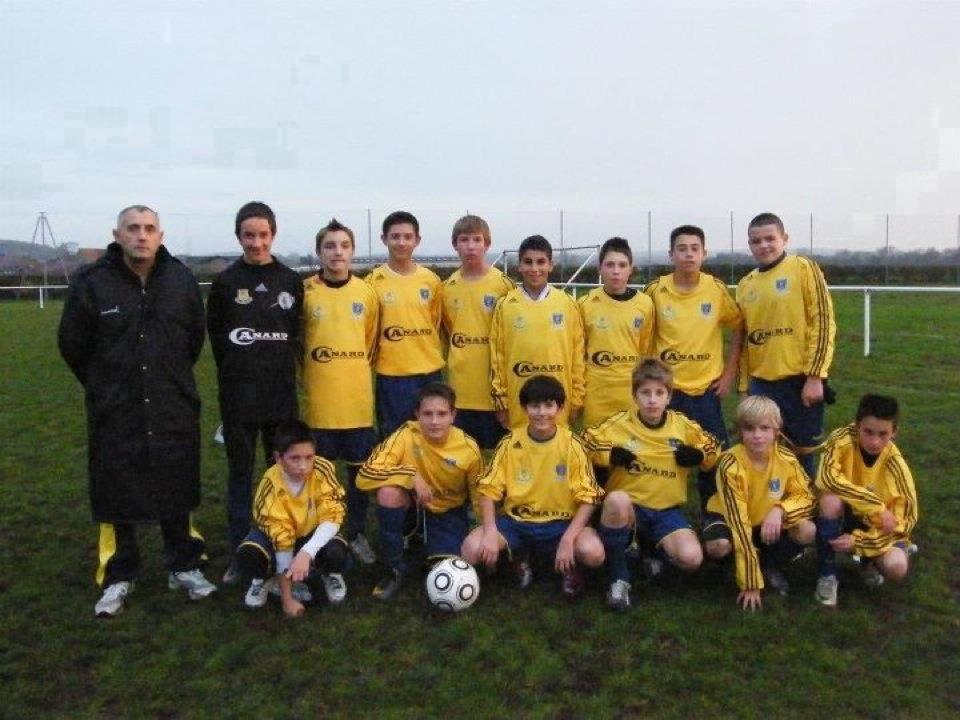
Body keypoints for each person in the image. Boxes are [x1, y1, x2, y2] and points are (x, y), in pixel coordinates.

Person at [58, 204, 216, 617]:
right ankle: (118, 573)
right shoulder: (92, 283)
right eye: (133, 228)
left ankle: (183, 563)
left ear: (160, 235)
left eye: (149, 229)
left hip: (171, 404)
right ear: (117, 234)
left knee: (176, 483)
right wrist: (106, 386)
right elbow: (73, 346)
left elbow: (192, 341)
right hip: (116, 409)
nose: (141, 236)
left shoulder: (180, 280)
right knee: (115, 490)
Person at [206, 201, 304, 584]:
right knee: (240, 477)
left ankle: (282, 548)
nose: (257, 243)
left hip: (280, 397)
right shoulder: (226, 283)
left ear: (273, 235)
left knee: (281, 477)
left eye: (263, 235)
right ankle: (241, 554)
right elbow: (217, 339)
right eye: (249, 235)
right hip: (239, 400)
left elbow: (296, 335)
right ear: (239, 237)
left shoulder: (290, 280)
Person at [584, 358, 720, 611]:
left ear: (669, 396)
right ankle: (618, 578)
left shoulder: (682, 425)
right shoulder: (619, 424)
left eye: (659, 393)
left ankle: (651, 559)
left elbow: (713, 444)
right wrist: (610, 454)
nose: (652, 400)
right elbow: (586, 443)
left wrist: (700, 455)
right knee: (616, 499)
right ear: (634, 396)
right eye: (645, 393)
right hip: (629, 511)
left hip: (665, 511)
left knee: (692, 558)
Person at [461, 375, 605, 599]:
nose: (541, 412)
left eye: (548, 405)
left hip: (560, 524)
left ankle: (571, 568)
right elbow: (488, 491)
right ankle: (518, 557)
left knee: (593, 552)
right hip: (517, 523)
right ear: (524, 408)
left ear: (559, 408)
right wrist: (489, 532)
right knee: (471, 549)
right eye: (535, 405)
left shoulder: (572, 445)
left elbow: (589, 498)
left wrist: (568, 538)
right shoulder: (509, 443)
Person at [644, 225, 742, 516]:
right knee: (661, 459)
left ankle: (713, 518)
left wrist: (728, 375)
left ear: (704, 253)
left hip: (706, 391)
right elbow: (644, 337)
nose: (688, 254)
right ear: (671, 254)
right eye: (682, 248)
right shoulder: (655, 291)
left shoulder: (715, 289)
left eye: (694, 248)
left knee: (712, 458)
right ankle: (660, 516)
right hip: (666, 393)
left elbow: (738, 327)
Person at [357, 383, 484, 600]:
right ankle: (393, 568)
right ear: (417, 414)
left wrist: (483, 532)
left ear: (453, 415)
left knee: (447, 564)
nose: (434, 421)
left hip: (447, 511)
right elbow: (364, 476)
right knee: (388, 493)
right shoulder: (405, 434)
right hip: (413, 505)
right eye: (427, 414)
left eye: (442, 414)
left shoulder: (468, 448)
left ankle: (419, 545)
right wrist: (410, 476)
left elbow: (480, 495)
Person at [301, 218, 380, 566]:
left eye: (344, 245)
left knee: (359, 476)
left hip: (358, 403)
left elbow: (371, 344)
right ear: (319, 252)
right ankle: (320, 535)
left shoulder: (366, 293)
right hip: (320, 405)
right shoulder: (305, 292)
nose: (337, 252)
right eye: (330, 246)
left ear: (352, 251)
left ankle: (357, 532)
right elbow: (298, 344)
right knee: (320, 477)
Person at [737, 212, 836, 478]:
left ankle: (805, 512)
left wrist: (815, 376)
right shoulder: (746, 285)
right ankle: (766, 508)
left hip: (799, 382)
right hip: (762, 383)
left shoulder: (803, 268)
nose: (764, 245)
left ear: (785, 239)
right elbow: (747, 341)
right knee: (763, 451)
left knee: (801, 453)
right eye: (756, 241)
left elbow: (823, 323)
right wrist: (746, 387)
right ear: (749, 245)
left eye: (770, 238)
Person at [702, 395, 817, 611]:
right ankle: (734, 568)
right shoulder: (730, 463)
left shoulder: (786, 459)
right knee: (719, 546)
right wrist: (751, 584)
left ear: (777, 430)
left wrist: (780, 509)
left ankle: (769, 566)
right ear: (739, 431)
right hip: (730, 520)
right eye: (749, 429)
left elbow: (807, 497)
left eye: (765, 428)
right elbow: (739, 523)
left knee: (807, 529)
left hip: (764, 520)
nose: (757, 435)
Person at [813, 394, 918, 607]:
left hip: (878, 528)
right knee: (829, 500)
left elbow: (903, 522)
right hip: (847, 514)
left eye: (883, 434)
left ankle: (868, 560)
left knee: (897, 567)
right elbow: (826, 477)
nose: (874, 441)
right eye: (868, 432)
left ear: (894, 432)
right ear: (857, 425)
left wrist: (860, 542)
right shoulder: (840, 439)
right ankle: (827, 574)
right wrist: (873, 505)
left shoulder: (897, 466)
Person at [237, 420, 349, 617]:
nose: (303, 466)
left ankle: (329, 574)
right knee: (251, 553)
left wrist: (306, 552)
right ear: (278, 458)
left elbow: (333, 515)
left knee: (337, 552)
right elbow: (282, 539)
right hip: (278, 539)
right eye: (294, 458)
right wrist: (287, 599)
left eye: (309, 457)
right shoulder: (270, 485)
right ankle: (262, 579)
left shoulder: (323, 469)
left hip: (310, 533)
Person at [489, 235, 585, 428]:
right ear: (519, 266)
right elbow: (496, 358)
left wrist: (576, 399)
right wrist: (501, 400)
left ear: (551, 265)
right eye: (528, 262)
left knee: (556, 453)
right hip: (519, 401)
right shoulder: (506, 305)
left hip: (559, 399)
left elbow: (578, 356)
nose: (534, 269)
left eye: (541, 262)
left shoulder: (567, 304)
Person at [365, 211, 444, 437]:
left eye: (407, 237)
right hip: (392, 373)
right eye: (395, 236)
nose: (401, 242)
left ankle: (430, 474)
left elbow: (435, 321)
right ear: (384, 239)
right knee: (395, 437)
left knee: (432, 434)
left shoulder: (431, 280)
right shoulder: (372, 282)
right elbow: (369, 330)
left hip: (429, 371)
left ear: (417, 240)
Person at [441, 214, 515, 449]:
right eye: (464, 240)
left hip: (494, 391)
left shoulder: (503, 285)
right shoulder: (447, 288)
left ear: (487, 244)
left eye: (477, 239)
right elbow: (446, 333)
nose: (470, 246)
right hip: (461, 389)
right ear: (455, 245)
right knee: (462, 456)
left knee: (498, 457)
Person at [578, 237, 655, 428]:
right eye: (609, 265)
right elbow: (578, 354)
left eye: (622, 265)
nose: (616, 271)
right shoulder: (585, 304)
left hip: (631, 392)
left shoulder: (645, 304)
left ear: (631, 268)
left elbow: (646, 350)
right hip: (597, 392)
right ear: (600, 268)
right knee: (596, 450)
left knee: (631, 449)